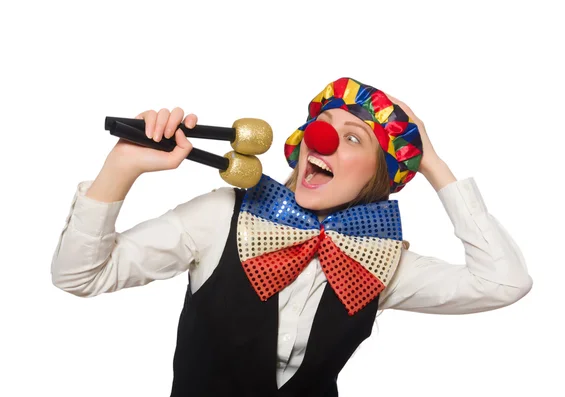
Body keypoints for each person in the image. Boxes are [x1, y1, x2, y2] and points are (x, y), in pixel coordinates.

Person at [51, 77, 533, 396]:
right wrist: (123, 166)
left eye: (352, 139)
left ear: (379, 176)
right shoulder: (221, 217)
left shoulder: (378, 262)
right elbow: (79, 276)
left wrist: (431, 161)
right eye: (321, 128)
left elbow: (504, 283)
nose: (322, 140)